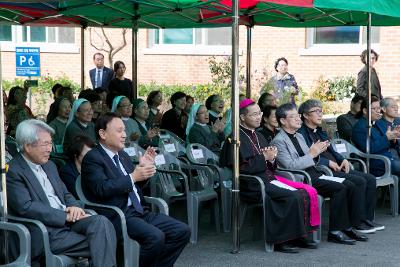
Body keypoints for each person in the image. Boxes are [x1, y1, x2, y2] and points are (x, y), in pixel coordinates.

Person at [81, 112, 191, 267]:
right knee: (155, 237)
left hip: (139, 211)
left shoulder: (122, 155)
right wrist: (134, 176)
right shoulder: (93, 158)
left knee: (182, 231)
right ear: (103, 133)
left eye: (124, 130)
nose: (124, 135)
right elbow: (101, 188)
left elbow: (134, 186)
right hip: (117, 215)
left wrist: (143, 172)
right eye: (119, 131)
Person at [6, 119, 116, 266]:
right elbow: (26, 207)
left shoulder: (50, 165)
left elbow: (65, 194)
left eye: (50, 143)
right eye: (45, 144)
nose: (49, 149)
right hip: (45, 230)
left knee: (102, 222)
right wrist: (64, 216)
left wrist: (74, 207)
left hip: (68, 223)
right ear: (27, 146)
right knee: (104, 240)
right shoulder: (13, 170)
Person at [220, 99, 319, 253]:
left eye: (259, 113)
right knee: (291, 196)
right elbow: (241, 169)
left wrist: (271, 159)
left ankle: (297, 235)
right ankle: (282, 240)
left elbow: (269, 165)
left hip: (267, 179)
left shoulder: (259, 136)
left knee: (301, 193)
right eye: (254, 115)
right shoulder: (234, 139)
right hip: (250, 184)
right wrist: (264, 158)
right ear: (242, 117)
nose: (259, 117)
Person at [271, 103, 368, 245]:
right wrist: (312, 154)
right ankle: (335, 231)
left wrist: (315, 155)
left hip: (315, 173)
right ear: (283, 120)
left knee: (350, 184)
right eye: (293, 117)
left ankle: (348, 226)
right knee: (340, 188)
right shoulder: (279, 141)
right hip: (302, 178)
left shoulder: (298, 136)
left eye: (298, 116)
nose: (298, 119)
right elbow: (290, 166)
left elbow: (312, 159)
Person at [298, 99, 382, 232]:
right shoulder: (301, 134)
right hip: (324, 170)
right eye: (316, 111)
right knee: (358, 181)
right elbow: (308, 156)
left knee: (370, 178)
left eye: (321, 111)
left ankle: (366, 219)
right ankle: (357, 222)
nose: (320, 114)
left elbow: (331, 150)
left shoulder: (319, 131)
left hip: (336, 166)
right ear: (305, 115)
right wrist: (328, 162)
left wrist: (342, 159)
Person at [352, 96, 400, 177]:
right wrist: (387, 138)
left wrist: (393, 138)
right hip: (378, 163)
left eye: (379, 108)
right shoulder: (360, 127)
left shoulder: (373, 124)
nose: (379, 111)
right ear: (365, 111)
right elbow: (369, 148)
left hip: (389, 159)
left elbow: (384, 143)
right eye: (375, 109)